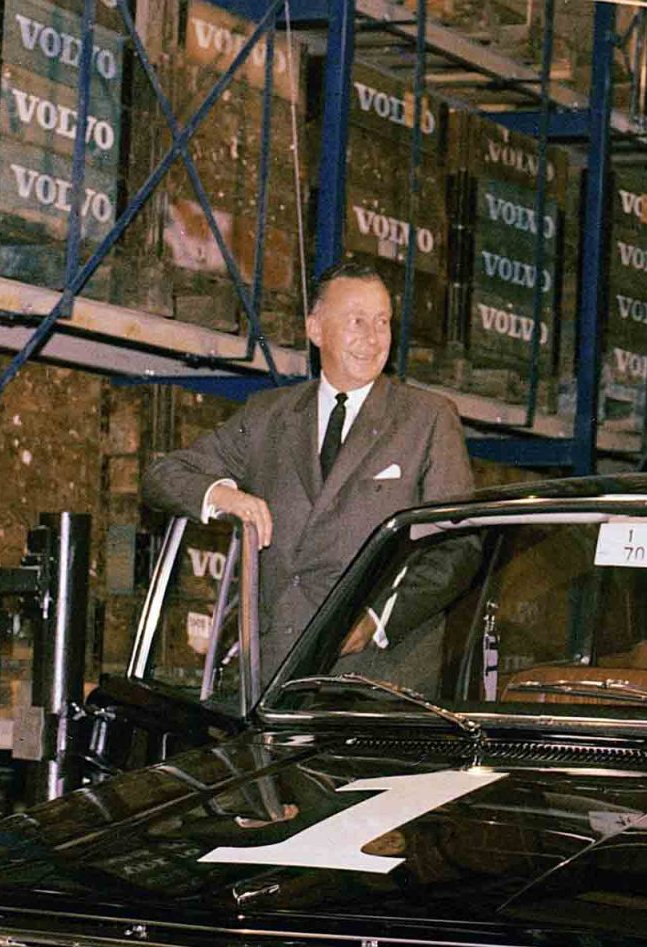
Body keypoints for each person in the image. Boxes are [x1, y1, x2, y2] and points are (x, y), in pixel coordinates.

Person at [144, 257, 474, 676]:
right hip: (274, 676)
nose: (373, 338)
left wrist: (375, 622)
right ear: (315, 329)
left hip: (374, 681)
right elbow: (163, 476)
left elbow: (458, 547)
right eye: (357, 321)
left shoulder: (428, 419)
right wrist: (224, 495)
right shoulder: (268, 416)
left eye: (383, 322)